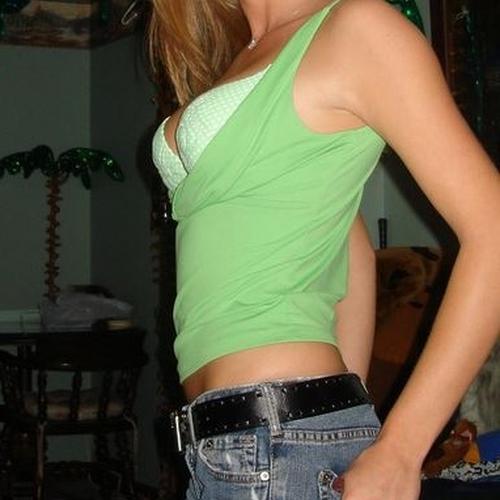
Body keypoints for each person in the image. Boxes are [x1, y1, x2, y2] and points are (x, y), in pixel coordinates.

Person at [149, 0, 500, 498]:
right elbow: (348, 248)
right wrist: (346, 426)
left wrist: (402, 449)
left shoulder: (357, 26)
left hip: (275, 437)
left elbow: (492, 229)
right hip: (246, 441)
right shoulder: (245, 53)